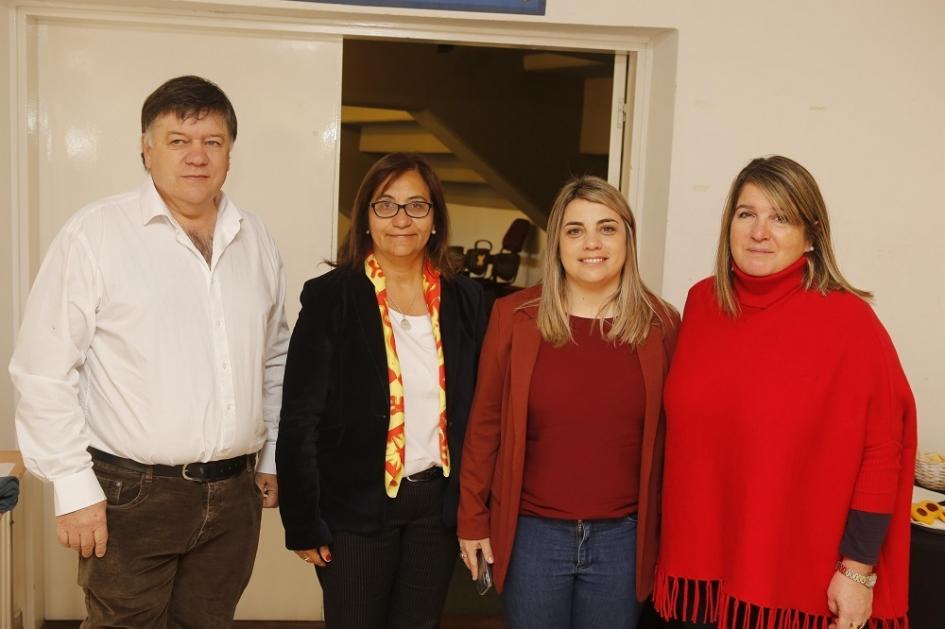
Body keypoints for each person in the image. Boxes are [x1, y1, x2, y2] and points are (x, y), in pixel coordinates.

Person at [9, 75, 289, 628]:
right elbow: (43, 368)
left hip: (235, 495)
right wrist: (71, 483)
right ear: (146, 148)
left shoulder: (254, 237)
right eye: (178, 140)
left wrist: (273, 454)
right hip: (130, 495)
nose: (196, 157)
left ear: (230, 152)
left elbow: (275, 355)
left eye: (212, 141)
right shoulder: (95, 234)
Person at [654, 156, 916, 629]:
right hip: (702, 573)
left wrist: (857, 573)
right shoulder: (701, 304)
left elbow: (883, 451)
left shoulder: (848, 323)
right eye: (746, 213)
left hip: (796, 584)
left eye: (781, 217)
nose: (760, 231)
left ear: (811, 234)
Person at [276, 152, 488, 629]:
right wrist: (302, 521)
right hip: (356, 507)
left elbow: (479, 410)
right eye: (385, 206)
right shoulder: (332, 295)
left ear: (435, 219)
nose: (401, 220)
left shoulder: (466, 299)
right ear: (366, 218)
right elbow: (299, 418)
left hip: (435, 509)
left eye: (417, 206)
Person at [458, 176, 679, 629]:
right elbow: (485, 425)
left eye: (607, 228)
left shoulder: (662, 324)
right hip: (533, 537)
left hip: (624, 540)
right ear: (557, 241)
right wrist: (472, 518)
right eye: (575, 230)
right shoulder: (514, 317)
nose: (591, 243)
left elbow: (677, 440)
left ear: (628, 239)